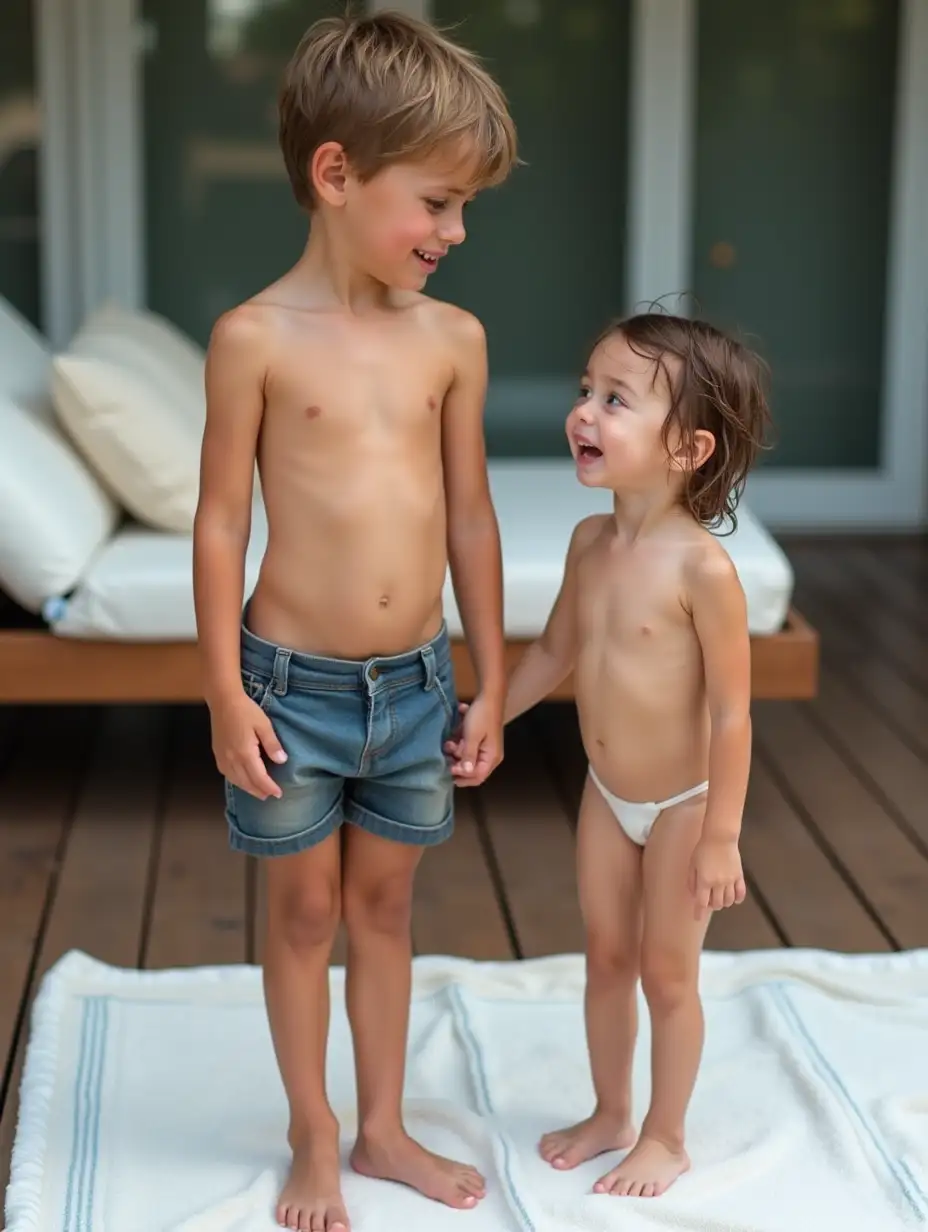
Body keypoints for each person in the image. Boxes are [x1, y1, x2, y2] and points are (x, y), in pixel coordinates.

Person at [192, 11, 517, 1230]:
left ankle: (380, 1125)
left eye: (464, 207)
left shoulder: (453, 340)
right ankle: (312, 1129)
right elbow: (221, 522)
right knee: (304, 909)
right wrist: (226, 690)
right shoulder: (254, 340)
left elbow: (472, 516)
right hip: (288, 689)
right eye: (435, 202)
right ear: (336, 175)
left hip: (416, 684)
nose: (456, 231)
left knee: (386, 906)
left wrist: (486, 675)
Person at [462, 312, 770, 1200]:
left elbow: (733, 715)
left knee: (669, 976)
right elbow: (556, 653)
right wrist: (493, 715)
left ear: (688, 447)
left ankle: (666, 1137)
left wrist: (721, 833)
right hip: (607, 792)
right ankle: (610, 1111)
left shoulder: (700, 570)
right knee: (605, 957)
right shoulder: (590, 544)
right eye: (585, 393)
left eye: (617, 401)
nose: (586, 414)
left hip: (682, 802)